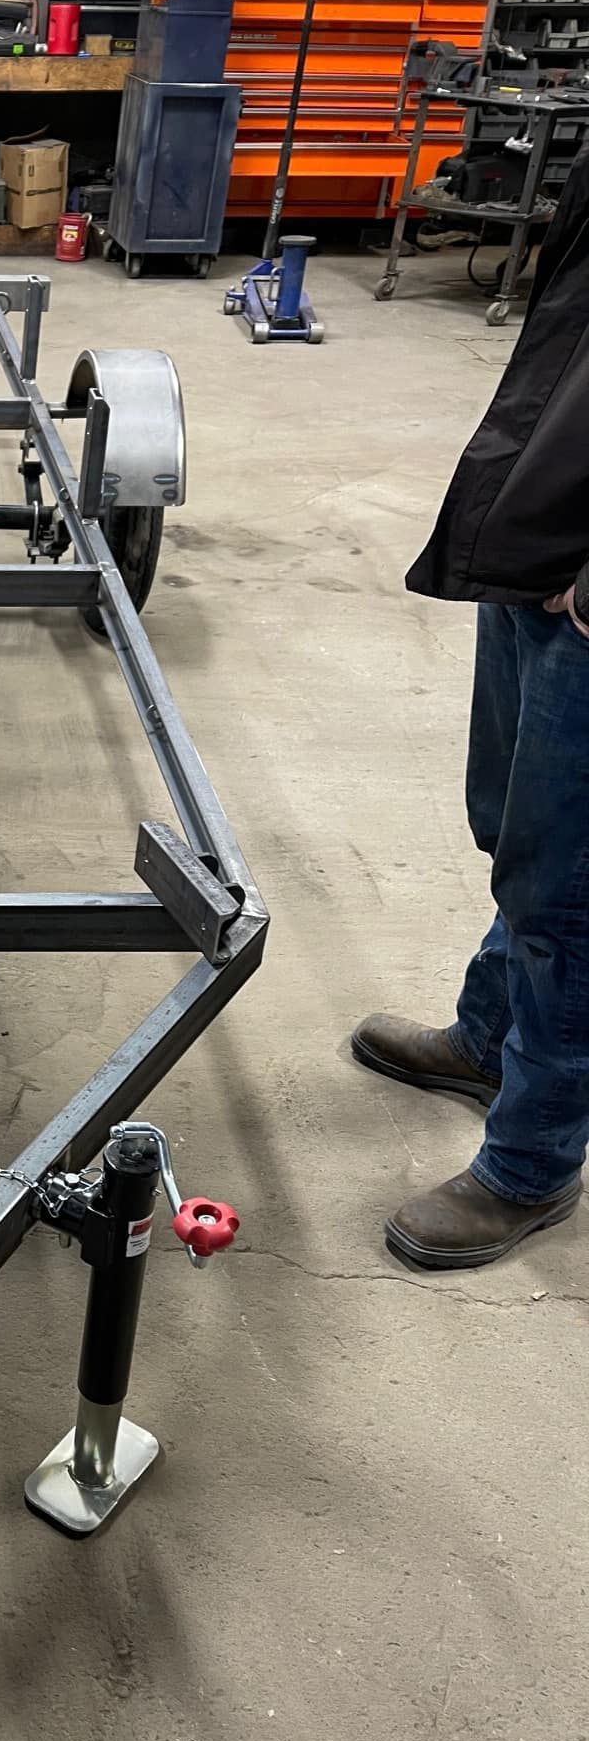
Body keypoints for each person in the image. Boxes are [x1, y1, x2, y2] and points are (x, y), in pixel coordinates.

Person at [352, 146, 589, 1272]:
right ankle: (489, 1038)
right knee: (516, 832)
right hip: (543, 526)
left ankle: (532, 1165)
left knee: (572, 887)